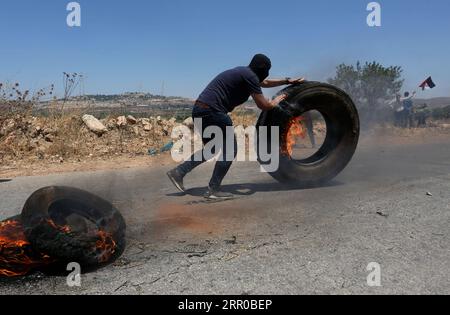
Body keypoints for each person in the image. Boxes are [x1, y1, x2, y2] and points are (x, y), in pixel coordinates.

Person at [167, 54, 305, 200]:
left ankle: (179, 172)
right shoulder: (250, 76)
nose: (267, 73)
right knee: (230, 150)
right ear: (263, 69)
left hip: (200, 110)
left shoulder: (245, 73)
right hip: (214, 111)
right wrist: (277, 100)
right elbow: (264, 105)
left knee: (212, 149)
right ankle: (213, 189)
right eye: (267, 70)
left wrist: (286, 80)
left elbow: (264, 83)